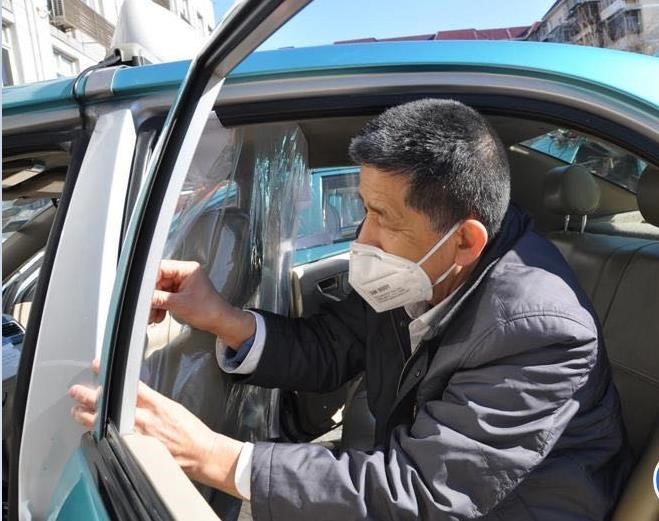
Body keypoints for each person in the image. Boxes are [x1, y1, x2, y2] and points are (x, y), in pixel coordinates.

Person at [70, 99, 630, 520]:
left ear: (465, 241)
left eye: (385, 218)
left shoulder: (539, 332)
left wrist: (213, 456)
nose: (364, 239)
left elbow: (422, 492)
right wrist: (221, 317)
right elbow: (329, 348)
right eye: (364, 209)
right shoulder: (421, 270)